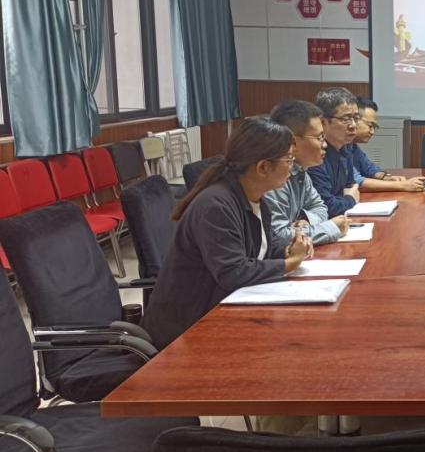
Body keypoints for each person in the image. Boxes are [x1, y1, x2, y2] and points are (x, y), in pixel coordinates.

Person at [142, 117, 313, 349]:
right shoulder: (216, 206)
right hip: (188, 329)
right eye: (289, 160)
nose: (292, 168)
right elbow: (233, 272)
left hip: (225, 307)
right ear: (263, 167)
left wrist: (287, 250)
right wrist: (289, 263)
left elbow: (261, 248)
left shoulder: (256, 199)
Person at [264, 100, 349, 248]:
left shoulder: (301, 171)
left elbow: (320, 208)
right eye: (319, 138)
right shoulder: (273, 175)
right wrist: (332, 228)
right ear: (293, 142)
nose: (325, 144)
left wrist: (306, 220)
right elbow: (278, 236)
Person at [350, 97, 425, 193]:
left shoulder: (352, 147)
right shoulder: (339, 147)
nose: (372, 132)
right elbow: (355, 182)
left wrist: (387, 178)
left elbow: (370, 169)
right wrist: (403, 185)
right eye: (370, 125)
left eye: (374, 127)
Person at [308, 87, 362, 218]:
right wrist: (350, 199)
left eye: (356, 118)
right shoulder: (314, 154)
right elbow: (327, 206)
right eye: (346, 119)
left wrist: (346, 197)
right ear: (323, 122)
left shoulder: (345, 147)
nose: (353, 125)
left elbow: (350, 186)